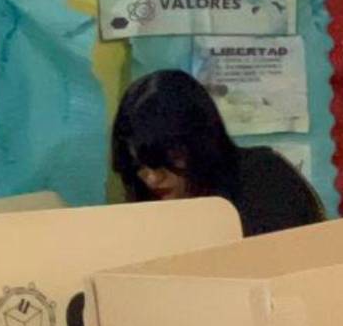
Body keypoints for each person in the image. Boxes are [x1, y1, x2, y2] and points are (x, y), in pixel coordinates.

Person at [111, 69, 325, 235]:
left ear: (201, 143)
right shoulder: (145, 208)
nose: (152, 178)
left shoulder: (263, 179)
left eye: (167, 159)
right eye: (137, 165)